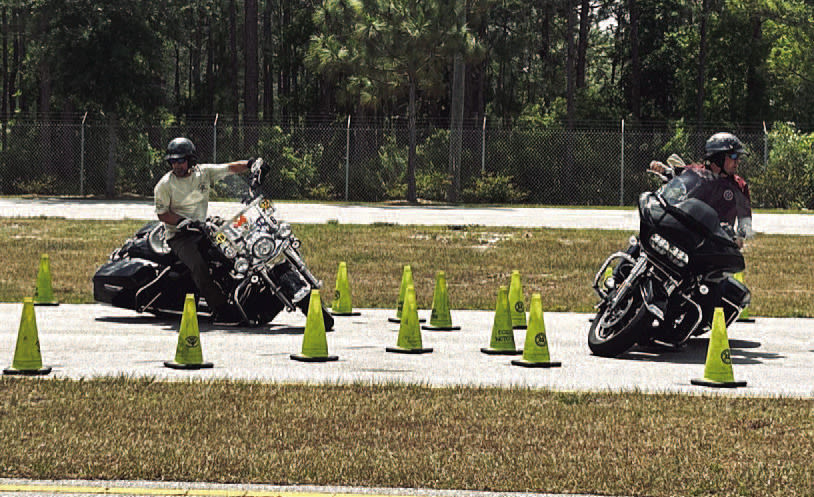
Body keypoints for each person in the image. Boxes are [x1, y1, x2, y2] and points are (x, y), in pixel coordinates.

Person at [154, 137, 267, 325]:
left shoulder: (203, 173)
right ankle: (222, 312)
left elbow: (230, 168)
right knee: (200, 267)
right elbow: (163, 214)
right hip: (180, 235)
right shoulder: (165, 184)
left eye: (181, 160)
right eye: (173, 161)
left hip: (203, 228)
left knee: (235, 245)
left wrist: (251, 163)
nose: (177, 165)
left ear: (190, 160)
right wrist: (184, 222)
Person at [649, 132, 754, 244]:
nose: (737, 161)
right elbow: (676, 174)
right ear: (718, 157)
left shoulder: (739, 186)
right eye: (733, 156)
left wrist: (740, 237)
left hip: (719, 245)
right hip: (689, 238)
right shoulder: (696, 173)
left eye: (738, 157)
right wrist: (662, 169)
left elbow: (745, 221)